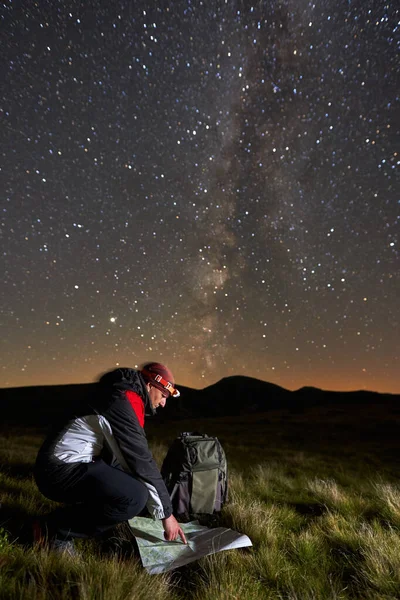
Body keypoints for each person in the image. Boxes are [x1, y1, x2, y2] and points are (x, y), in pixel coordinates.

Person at [33, 362, 187, 555]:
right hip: (58, 471)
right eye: (164, 395)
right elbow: (140, 460)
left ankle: (83, 520)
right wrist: (167, 514)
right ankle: (56, 530)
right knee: (134, 497)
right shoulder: (123, 400)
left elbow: (122, 458)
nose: (163, 403)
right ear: (150, 385)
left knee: (131, 487)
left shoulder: (122, 393)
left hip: (71, 464)